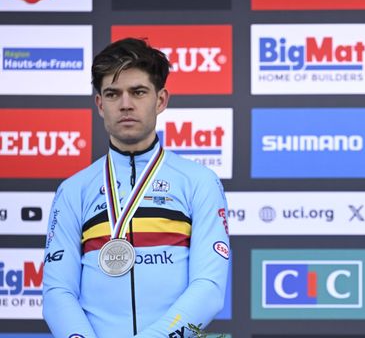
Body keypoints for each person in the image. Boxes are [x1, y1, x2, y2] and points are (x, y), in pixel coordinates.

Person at [43, 38, 230, 337]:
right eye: (113, 94)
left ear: (161, 100)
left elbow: (208, 288)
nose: (126, 104)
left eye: (138, 92)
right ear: (100, 104)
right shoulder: (73, 190)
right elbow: (57, 293)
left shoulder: (199, 181)